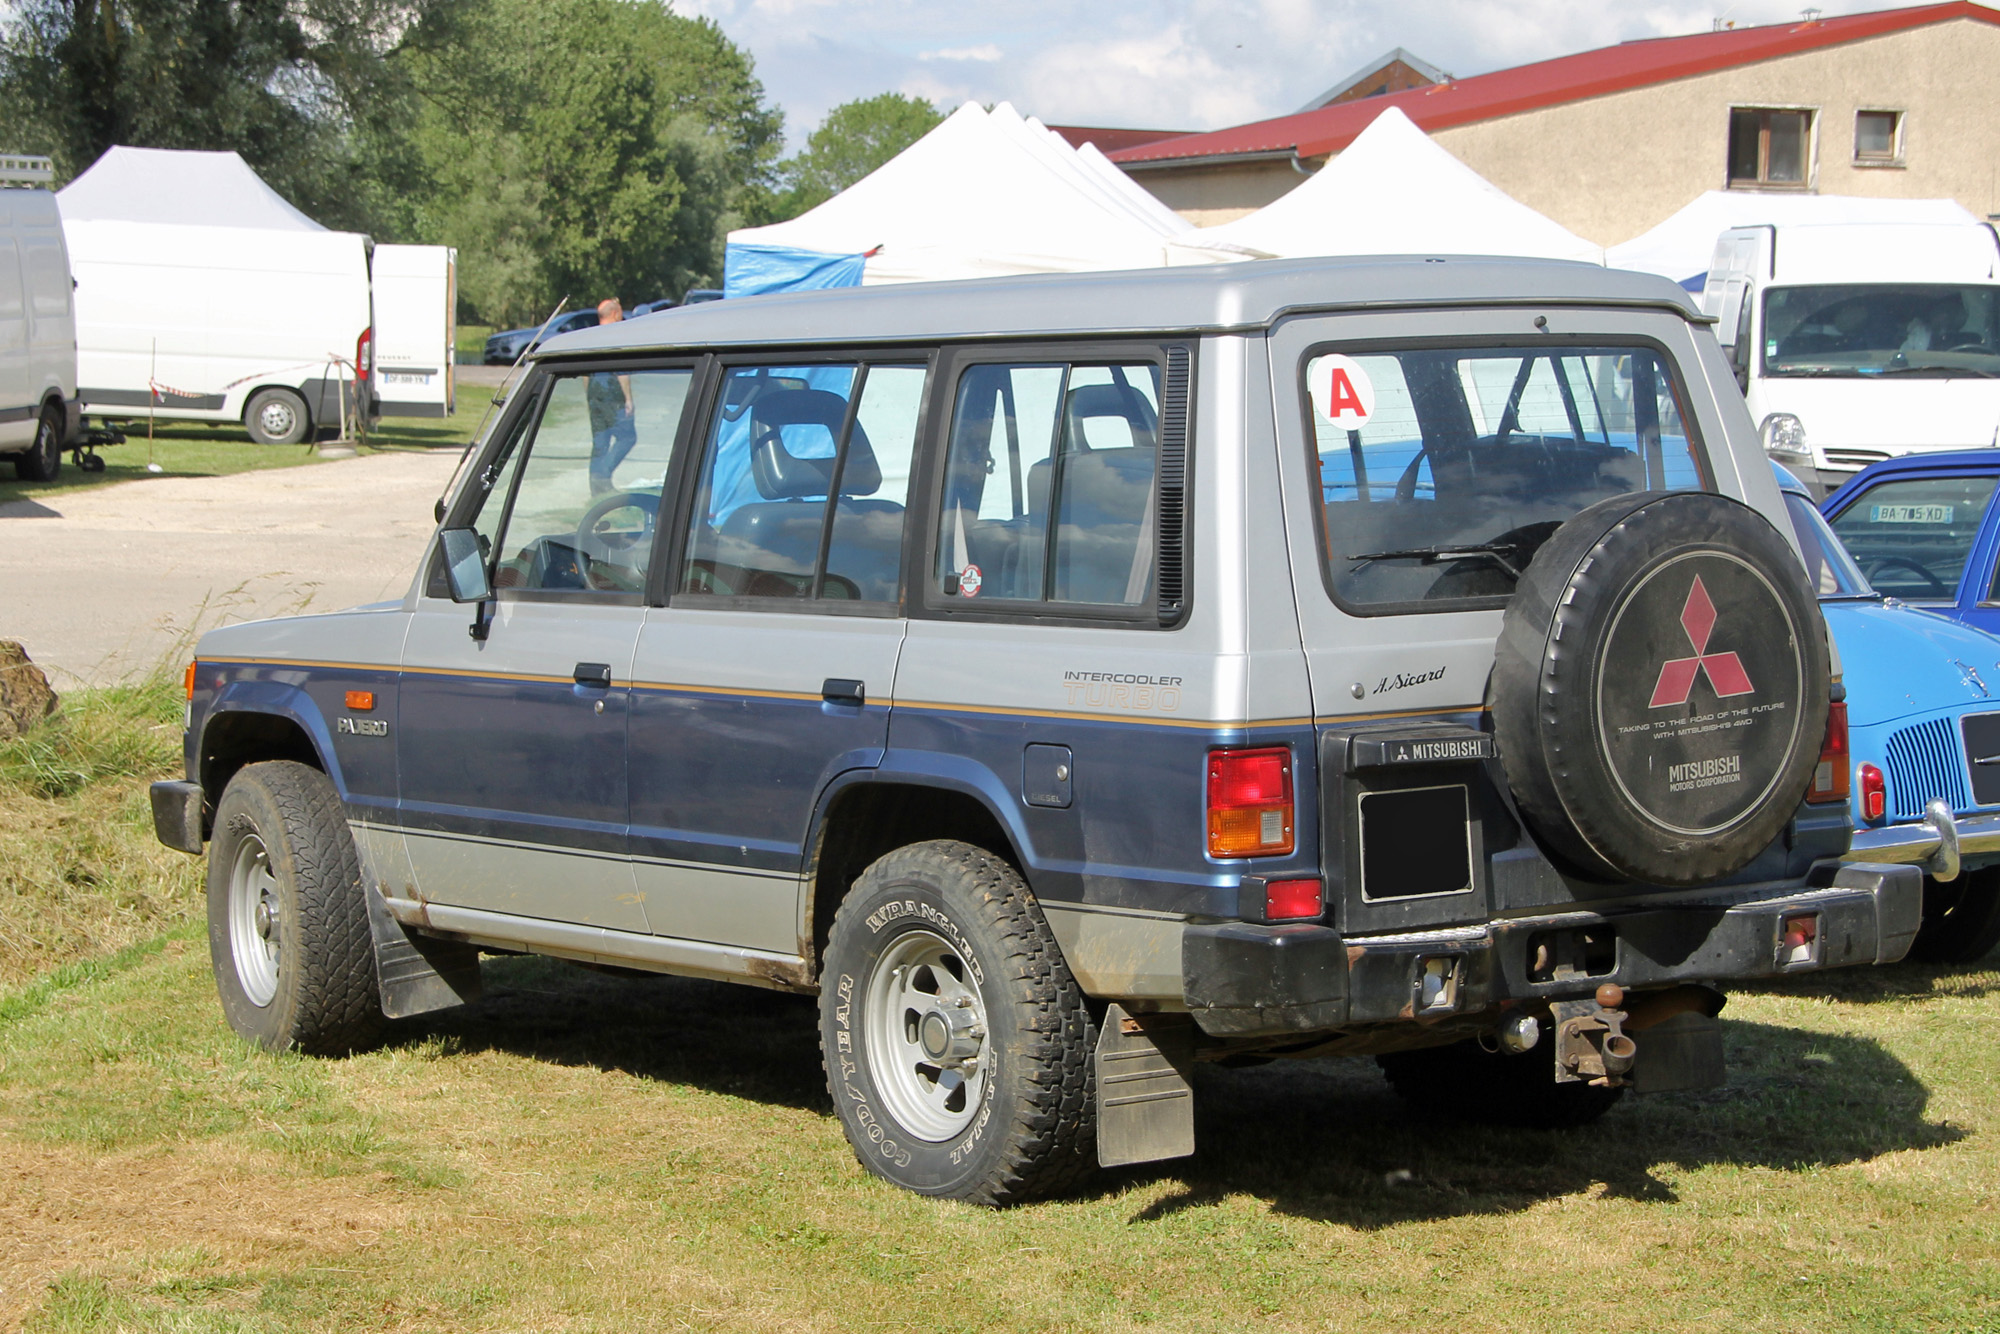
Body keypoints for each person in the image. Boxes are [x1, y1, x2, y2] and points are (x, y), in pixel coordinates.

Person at [587, 298, 636, 494]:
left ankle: (596, 488)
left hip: (594, 391)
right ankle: (603, 476)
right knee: (628, 437)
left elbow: (584, 372)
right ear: (615, 313)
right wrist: (628, 399)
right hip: (612, 393)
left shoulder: (591, 336)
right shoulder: (616, 335)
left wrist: (589, 397)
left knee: (600, 440)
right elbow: (622, 370)